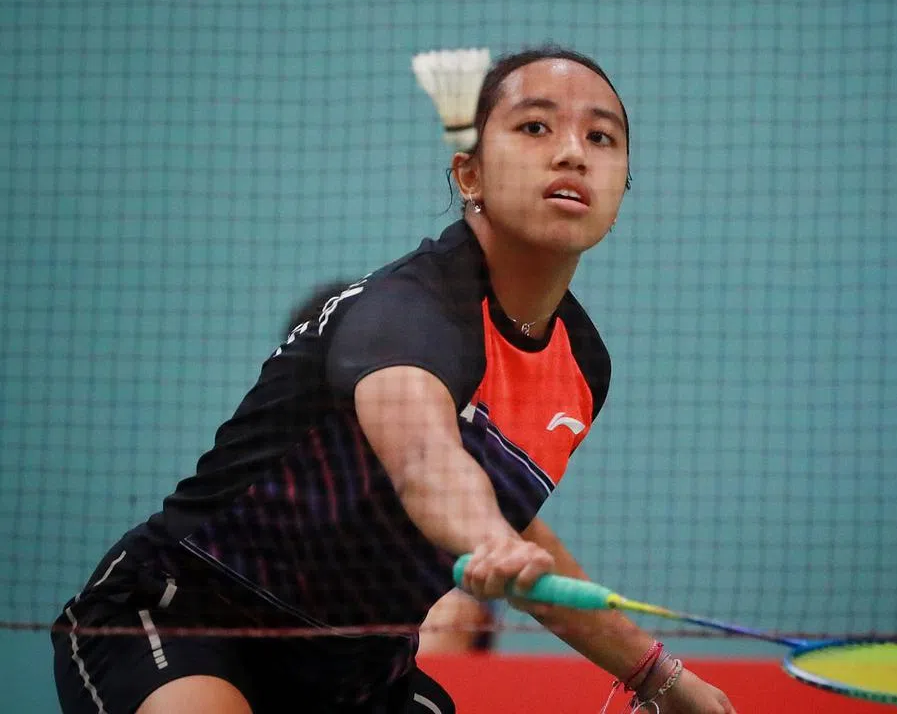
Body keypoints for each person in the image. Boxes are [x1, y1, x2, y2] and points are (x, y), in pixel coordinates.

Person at [51, 45, 736, 714]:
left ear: (620, 191)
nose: (572, 153)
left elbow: (518, 534)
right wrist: (487, 537)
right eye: (535, 126)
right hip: (187, 615)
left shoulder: (582, 366)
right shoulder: (405, 312)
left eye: (601, 137)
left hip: (354, 678)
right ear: (469, 176)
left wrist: (657, 675)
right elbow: (425, 462)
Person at [285, 281, 501, 657]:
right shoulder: (286, 479)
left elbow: (462, 620)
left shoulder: (450, 471)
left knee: (449, 617)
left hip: (413, 662)